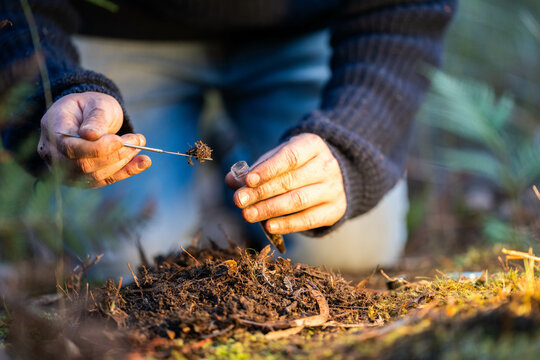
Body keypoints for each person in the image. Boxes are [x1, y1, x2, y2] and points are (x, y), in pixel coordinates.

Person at [0, 0, 456, 276]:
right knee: (118, 262)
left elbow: (409, 10)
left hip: (310, 29)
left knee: (348, 252)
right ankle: (233, 146)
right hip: (115, 30)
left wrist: (353, 142)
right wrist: (55, 88)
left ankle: (242, 154)